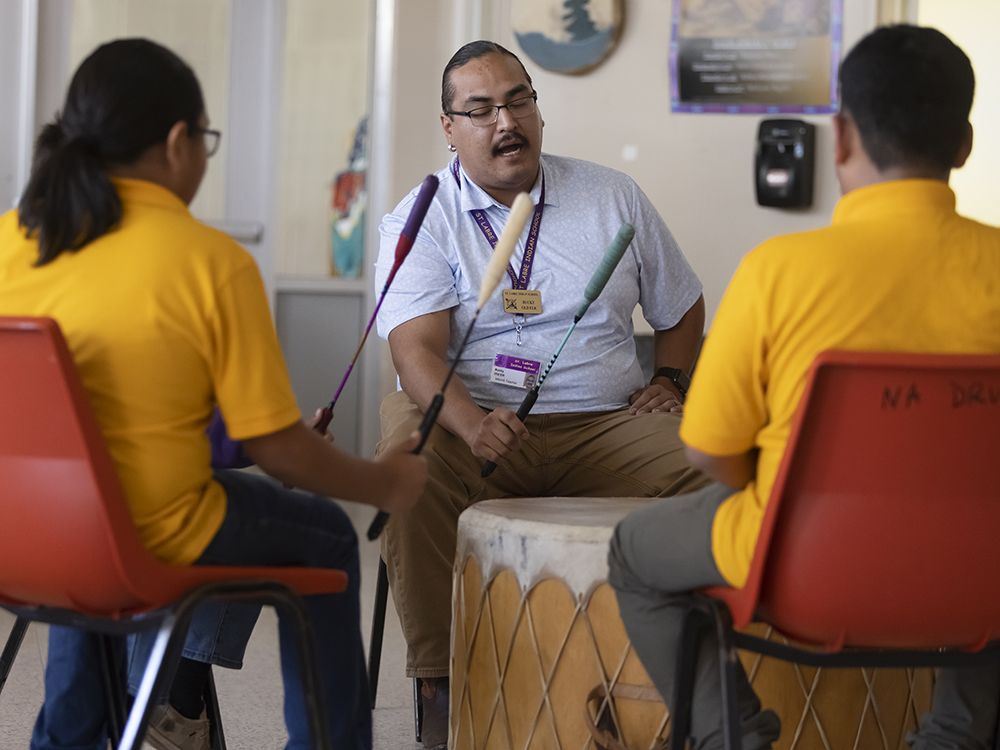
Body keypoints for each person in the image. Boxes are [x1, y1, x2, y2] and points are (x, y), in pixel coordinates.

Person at [0, 38, 427, 750]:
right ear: (178, 142)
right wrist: (383, 482)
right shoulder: (209, 260)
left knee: (93, 533)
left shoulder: (13, 242)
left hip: (21, 537)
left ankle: (67, 740)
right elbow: (279, 452)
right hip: (149, 535)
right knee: (323, 534)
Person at [607, 24, 1000, 750]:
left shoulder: (777, 271)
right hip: (981, 580)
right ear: (965, 144)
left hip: (801, 570)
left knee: (633, 552)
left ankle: (737, 738)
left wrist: (774, 481)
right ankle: (955, 738)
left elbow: (707, 452)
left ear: (842, 137)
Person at [373, 40, 707, 747]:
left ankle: (691, 680)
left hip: (603, 424)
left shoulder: (610, 196)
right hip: (475, 421)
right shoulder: (421, 217)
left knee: (720, 460)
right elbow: (415, 352)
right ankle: (439, 683)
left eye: (519, 99)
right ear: (449, 127)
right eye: (482, 108)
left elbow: (680, 308)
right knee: (409, 457)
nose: (506, 122)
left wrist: (669, 381)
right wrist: (467, 421)